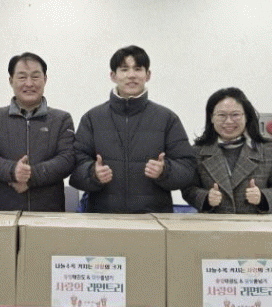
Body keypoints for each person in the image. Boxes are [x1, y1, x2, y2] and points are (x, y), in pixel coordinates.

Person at [70, 45, 195, 213]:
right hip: (103, 218)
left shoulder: (167, 118)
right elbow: (74, 167)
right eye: (124, 69)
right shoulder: (92, 118)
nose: (131, 75)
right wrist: (93, 173)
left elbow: (188, 168)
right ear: (113, 76)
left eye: (138, 69)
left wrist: (165, 171)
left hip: (153, 218)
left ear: (148, 75)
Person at [0, 52, 75, 211]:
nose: (29, 83)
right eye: (22, 77)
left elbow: (67, 159)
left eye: (35, 77)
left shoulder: (61, 119)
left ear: (45, 79)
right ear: (11, 80)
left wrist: (31, 176)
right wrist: (12, 171)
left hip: (49, 213)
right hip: (4, 212)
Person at [181, 87, 272, 215]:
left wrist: (262, 197)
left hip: (256, 226)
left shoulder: (269, 150)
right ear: (211, 117)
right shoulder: (197, 152)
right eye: (221, 115)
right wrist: (206, 198)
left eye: (235, 115)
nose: (229, 121)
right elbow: (188, 189)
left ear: (246, 116)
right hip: (213, 225)